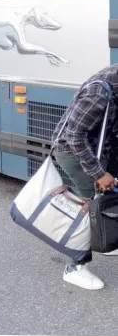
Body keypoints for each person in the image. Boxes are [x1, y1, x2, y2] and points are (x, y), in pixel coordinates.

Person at [51, 65, 118, 290]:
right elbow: (74, 137)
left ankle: (106, 237)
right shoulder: (99, 92)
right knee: (91, 207)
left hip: (100, 147)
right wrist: (99, 174)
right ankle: (74, 267)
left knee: (109, 197)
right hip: (73, 151)